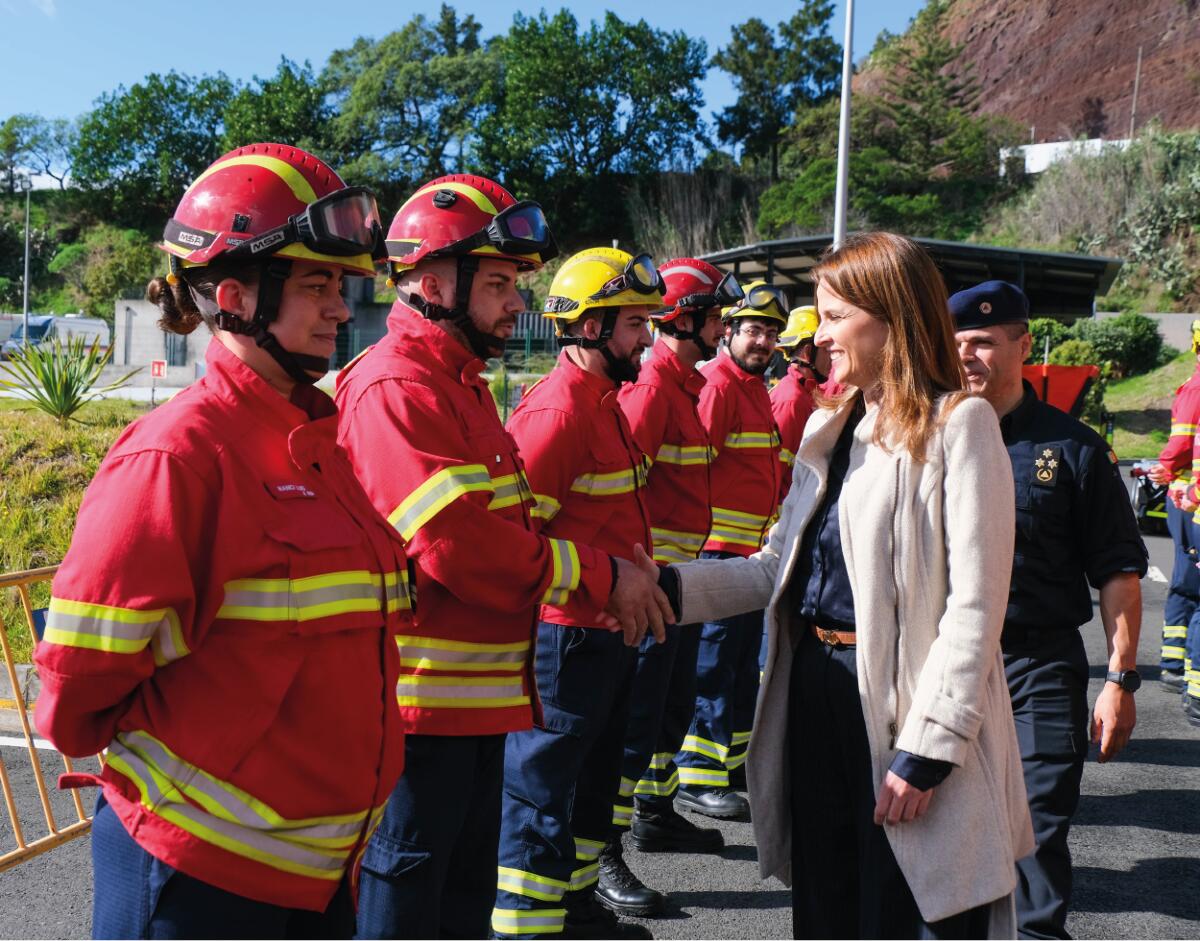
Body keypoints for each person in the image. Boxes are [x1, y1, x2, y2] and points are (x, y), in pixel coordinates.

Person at [33, 143, 412, 938]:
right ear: (236, 297)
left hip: (315, 881)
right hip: (200, 880)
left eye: (340, 286)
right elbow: (77, 691)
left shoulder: (315, 442)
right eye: (317, 286)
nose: (342, 309)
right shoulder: (175, 457)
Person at [658, 233, 1035, 938]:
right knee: (827, 901)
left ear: (891, 315)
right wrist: (664, 590)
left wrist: (929, 747)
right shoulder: (831, 428)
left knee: (904, 908)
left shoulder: (962, 424)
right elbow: (776, 568)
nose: (817, 333)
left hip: (906, 710)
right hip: (816, 689)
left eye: (833, 315)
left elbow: (976, 607)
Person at [334, 177, 668, 939]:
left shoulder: (461, 390)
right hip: (421, 719)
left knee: (457, 909)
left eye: (513, 284)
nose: (517, 303)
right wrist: (600, 575)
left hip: (478, 708)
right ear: (430, 282)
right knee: (404, 909)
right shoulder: (395, 387)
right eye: (496, 284)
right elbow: (457, 547)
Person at [952, 279, 1147, 939]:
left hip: (1037, 667)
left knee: (1033, 838)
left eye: (982, 341)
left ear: (1023, 344)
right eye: (956, 344)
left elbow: (1119, 572)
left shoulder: (1075, 449)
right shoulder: (929, 439)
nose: (968, 356)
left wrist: (1120, 679)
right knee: (942, 844)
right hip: (945, 667)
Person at [493, 247, 673, 940]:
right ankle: (524, 927)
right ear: (590, 327)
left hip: (605, 631)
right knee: (542, 792)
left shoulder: (606, 403)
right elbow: (515, 537)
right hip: (563, 636)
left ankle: (570, 909)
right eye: (633, 324)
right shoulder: (557, 413)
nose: (646, 339)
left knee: (587, 789)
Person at [599, 258, 736, 916]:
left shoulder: (682, 383)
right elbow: (625, 493)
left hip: (678, 591)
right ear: (683, 319)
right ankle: (604, 847)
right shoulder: (653, 388)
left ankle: (654, 811)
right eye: (714, 316)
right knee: (633, 725)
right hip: (651, 593)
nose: (723, 327)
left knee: (666, 716)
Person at [675, 281, 785, 819]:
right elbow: (697, 472)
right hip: (718, 554)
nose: (762, 341)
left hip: (748, 558)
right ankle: (696, 779)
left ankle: (729, 766)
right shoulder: (718, 386)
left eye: (770, 333)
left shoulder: (753, 388)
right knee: (712, 668)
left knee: (739, 669)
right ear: (729, 334)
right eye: (752, 330)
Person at [1147, 321, 1200, 693]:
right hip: (1189, 498)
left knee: (1186, 581)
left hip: (1187, 495)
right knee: (1188, 583)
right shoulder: (1196, 388)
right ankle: (1177, 665)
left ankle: (1175, 660)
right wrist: (1165, 468)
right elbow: (1181, 444)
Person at [770, 305, 820, 499]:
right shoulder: (792, 400)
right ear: (808, 353)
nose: (832, 356)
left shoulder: (805, 393)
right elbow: (775, 470)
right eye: (826, 349)